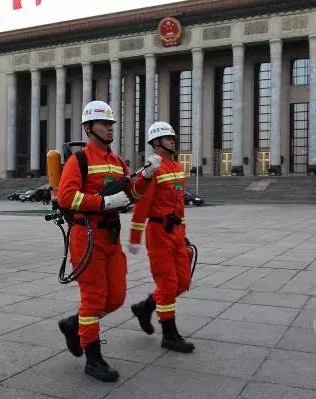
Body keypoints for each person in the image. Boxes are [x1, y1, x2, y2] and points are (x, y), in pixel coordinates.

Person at [57, 100, 161, 382]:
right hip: (87, 234)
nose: (110, 128)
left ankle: (73, 324)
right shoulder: (78, 160)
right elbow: (67, 197)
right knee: (93, 299)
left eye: (112, 123)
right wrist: (102, 202)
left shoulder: (117, 162)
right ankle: (93, 359)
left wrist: (147, 177)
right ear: (89, 127)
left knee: (115, 297)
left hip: (111, 236)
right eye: (105, 123)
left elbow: (133, 195)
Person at [127, 121, 195, 353]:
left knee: (183, 282)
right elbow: (142, 205)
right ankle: (169, 333)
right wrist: (135, 237)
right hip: (158, 232)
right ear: (156, 142)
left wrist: (183, 234)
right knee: (168, 283)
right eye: (168, 138)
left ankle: (145, 307)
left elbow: (179, 206)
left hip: (176, 232)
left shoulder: (175, 166)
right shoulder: (153, 168)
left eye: (173, 137)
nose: (173, 140)